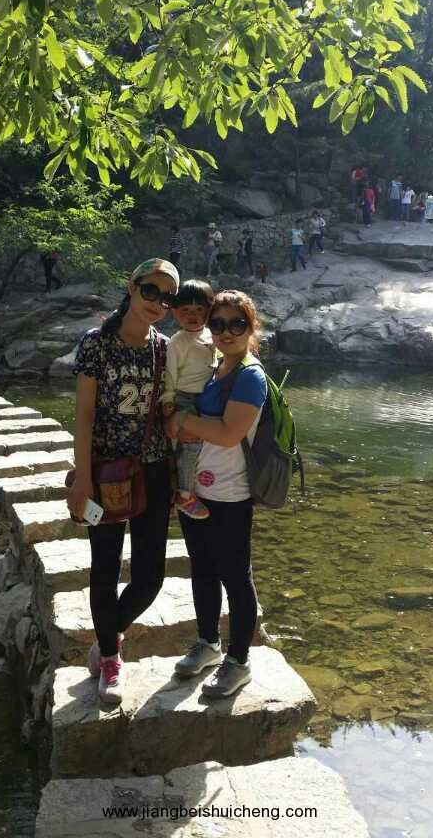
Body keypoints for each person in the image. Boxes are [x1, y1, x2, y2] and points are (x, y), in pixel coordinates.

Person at [66, 257, 179, 704]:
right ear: (132, 287)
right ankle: (111, 658)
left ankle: (107, 635)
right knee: (105, 568)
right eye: (151, 291)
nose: (158, 303)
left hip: (153, 471)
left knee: (150, 577)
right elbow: (84, 415)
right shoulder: (96, 343)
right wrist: (83, 479)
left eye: (167, 297)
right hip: (106, 472)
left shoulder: (165, 349)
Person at [167, 291, 267, 699]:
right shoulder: (216, 367)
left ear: (251, 327)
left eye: (236, 324)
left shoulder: (249, 375)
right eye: (218, 324)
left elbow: (228, 434)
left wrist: (183, 420)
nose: (226, 332)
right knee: (204, 570)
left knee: (236, 578)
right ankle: (208, 643)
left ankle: (238, 662)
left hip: (231, 493)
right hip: (198, 490)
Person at [161, 280, 216, 520]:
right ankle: (184, 494)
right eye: (186, 310)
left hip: (208, 395)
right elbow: (170, 373)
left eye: (199, 310)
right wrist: (168, 400)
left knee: (206, 444)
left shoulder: (211, 335)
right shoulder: (177, 342)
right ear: (175, 312)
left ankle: (202, 485)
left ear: (209, 311)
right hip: (185, 397)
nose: (192, 316)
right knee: (190, 445)